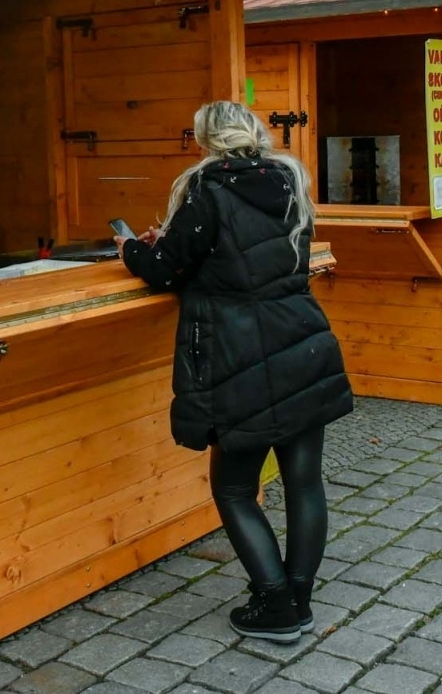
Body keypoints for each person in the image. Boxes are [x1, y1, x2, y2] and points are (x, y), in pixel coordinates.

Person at [115, 101, 353, 643]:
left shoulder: (207, 189)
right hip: (302, 343)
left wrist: (131, 248)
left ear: (206, 138)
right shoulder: (289, 181)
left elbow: (165, 270)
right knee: (304, 482)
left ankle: (275, 604)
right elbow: (246, 256)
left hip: (238, 356)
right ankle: (298, 597)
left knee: (235, 488)